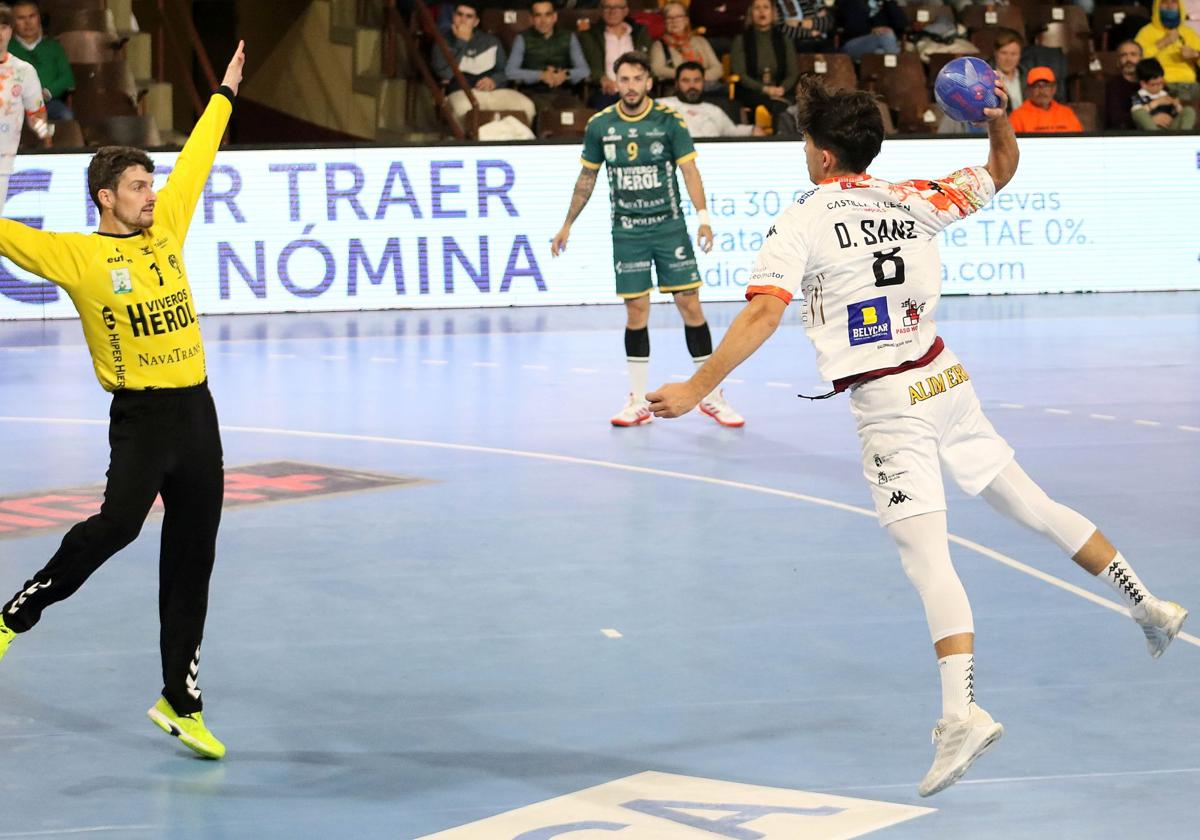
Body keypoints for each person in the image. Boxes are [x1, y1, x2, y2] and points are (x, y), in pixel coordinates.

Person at [647, 74, 1188, 797]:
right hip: (944, 379)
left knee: (927, 557)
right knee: (1029, 501)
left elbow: (761, 315)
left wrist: (694, 387)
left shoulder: (804, 217)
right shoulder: (913, 198)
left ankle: (961, 714)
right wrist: (996, 117)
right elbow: (1001, 167)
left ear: (818, 155)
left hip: (888, 403)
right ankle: (1148, 604)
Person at [0, 41, 248, 761]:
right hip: (141, 420)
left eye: (151, 184)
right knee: (117, 528)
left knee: (193, 558)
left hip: (197, 416)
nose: (152, 194)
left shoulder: (167, 226)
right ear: (106, 197)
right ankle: (16, 616)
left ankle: (180, 699)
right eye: (139, 186)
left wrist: (225, 94)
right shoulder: (76, 257)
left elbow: (199, 154)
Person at [551, 51, 743, 428]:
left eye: (637, 79)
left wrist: (703, 218)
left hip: (668, 227)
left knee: (690, 306)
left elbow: (690, 171)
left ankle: (710, 395)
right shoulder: (600, 125)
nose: (631, 86)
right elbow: (586, 179)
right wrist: (567, 224)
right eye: (624, 79)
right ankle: (638, 400)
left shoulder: (668, 121)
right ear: (615, 82)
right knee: (636, 312)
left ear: (649, 82)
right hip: (627, 231)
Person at [432, 1, 536, 125]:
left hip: (493, 92)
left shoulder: (491, 41)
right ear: (453, 17)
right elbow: (445, 74)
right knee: (465, 111)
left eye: (469, 16)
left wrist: (494, 81)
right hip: (462, 93)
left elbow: (506, 72)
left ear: (476, 22)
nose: (463, 20)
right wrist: (461, 42)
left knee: (527, 105)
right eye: (459, 15)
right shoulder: (442, 41)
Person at [0, 2, 52, 213]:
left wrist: (48, 142)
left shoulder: (24, 71)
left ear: (11, 31)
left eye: (3, 27)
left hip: (3, 163)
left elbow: (36, 114)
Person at [505, 0, 590, 114]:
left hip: (562, 92)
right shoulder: (522, 38)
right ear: (531, 19)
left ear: (554, 17)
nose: (543, 21)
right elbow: (510, 72)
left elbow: (585, 71)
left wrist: (565, 74)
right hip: (532, 93)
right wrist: (541, 75)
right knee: (546, 114)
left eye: (548, 15)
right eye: (538, 15)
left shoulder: (568, 37)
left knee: (577, 115)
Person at [731, 0, 799, 127]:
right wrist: (765, 89)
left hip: (781, 91)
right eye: (757, 8)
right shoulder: (740, 40)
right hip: (752, 92)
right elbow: (740, 75)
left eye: (766, 7)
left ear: (773, 13)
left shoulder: (785, 40)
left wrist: (782, 89)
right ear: (751, 13)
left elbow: (792, 73)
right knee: (776, 106)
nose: (762, 11)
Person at [577, 0, 652, 109]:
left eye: (617, 7)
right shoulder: (590, 36)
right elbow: (589, 64)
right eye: (607, 7)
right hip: (606, 91)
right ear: (601, 11)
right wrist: (601, 78)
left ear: (625, 11)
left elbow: (647, 63)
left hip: (637, 90)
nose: (612, 12)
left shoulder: (639, 33)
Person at [658, 61, 763, 137]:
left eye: (697, 80)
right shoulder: (661, 106)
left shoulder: (714, 110)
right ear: (676, 84)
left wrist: (752, 130)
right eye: (686, 81)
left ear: (704, 82)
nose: (692, 85)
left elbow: (731, 131)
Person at [7, 0, 73, 121]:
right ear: (13, 22)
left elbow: (67, 78)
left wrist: (46, 93)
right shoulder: (6, 48)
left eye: (32, 16)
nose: (28, 22)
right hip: (15, 105)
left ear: (38, 18)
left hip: (49, 103)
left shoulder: (54, 47)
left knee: (66, 116)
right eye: (21, 18)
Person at [649, 3, 723, 92]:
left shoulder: (701, 41)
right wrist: (686, 77)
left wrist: (698, 78)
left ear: (686, 20)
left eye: (678, 16)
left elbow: (718, 69)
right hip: (676, 92)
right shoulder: (659, 45)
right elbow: (657, 70)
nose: (674, 21)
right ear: (664, 22)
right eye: (669, 18)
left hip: (706, 89)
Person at [1136, 0, 1200, 102]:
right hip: (1159, 84)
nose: (1169, 6)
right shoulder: (1146, 32)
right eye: (1165, 2)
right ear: (1157, 6)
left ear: (1180, 6)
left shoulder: (1188, 32)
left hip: (1189, 84)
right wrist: (1162, 43)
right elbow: (1137, 59)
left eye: (1173, 2)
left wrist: (1196, 55)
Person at [1008, 66, 1083, 132]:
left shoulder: (1067, 114)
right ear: (1029, 90)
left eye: (1046, 86)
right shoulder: (1016, 117)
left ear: (1054, 89)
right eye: (1037, 86)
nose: (1041, 91)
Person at [1130, 55, 1197, 127]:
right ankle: (1156, 136)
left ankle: (1184, 136)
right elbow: (1137, 114)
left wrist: (1177, 105)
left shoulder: (1165, 94)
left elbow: (1178, 113)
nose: (1159, 87)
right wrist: (1157, 102)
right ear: (1143, 84)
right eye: (1154, 84)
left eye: (1161, 83)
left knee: (1189, 110)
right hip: (1151, 130)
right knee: (1139, 113)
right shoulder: (1138, 96)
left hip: (1169, 128)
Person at [837, 0, 907, 62]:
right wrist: (871, 30)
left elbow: (902, 24)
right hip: (852, 45)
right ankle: (899, 71)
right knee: (887, 35)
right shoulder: (852, 2)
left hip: (880, 45)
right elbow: (852, 27)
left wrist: (890, 2)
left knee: (880, 53)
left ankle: (895, 73)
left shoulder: (885, 3)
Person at [1105, 39, 1144, 130]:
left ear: (1141, 59)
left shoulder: (1151, 81)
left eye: (1133, 54)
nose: (1128, 59)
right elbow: (1116, 119)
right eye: (1124, 55)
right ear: (1118, 61)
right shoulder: (1113, 85)